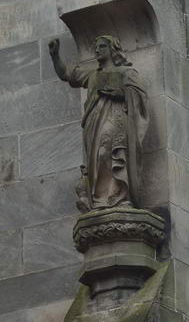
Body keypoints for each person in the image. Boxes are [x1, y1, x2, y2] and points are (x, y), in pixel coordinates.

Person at [48, 36, 149, 211]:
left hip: (116, 117)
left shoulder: (126, 72)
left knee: (109, 153)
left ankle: (120, 195)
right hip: (94, 123)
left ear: (112, 49)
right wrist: (55, 55)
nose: (97, 50)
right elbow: (66, 73)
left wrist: (119, 93)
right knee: (97, 158)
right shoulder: (93, 74)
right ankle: (98, 199)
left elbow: (139, 96)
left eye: (102, 46)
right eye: (96, 47)